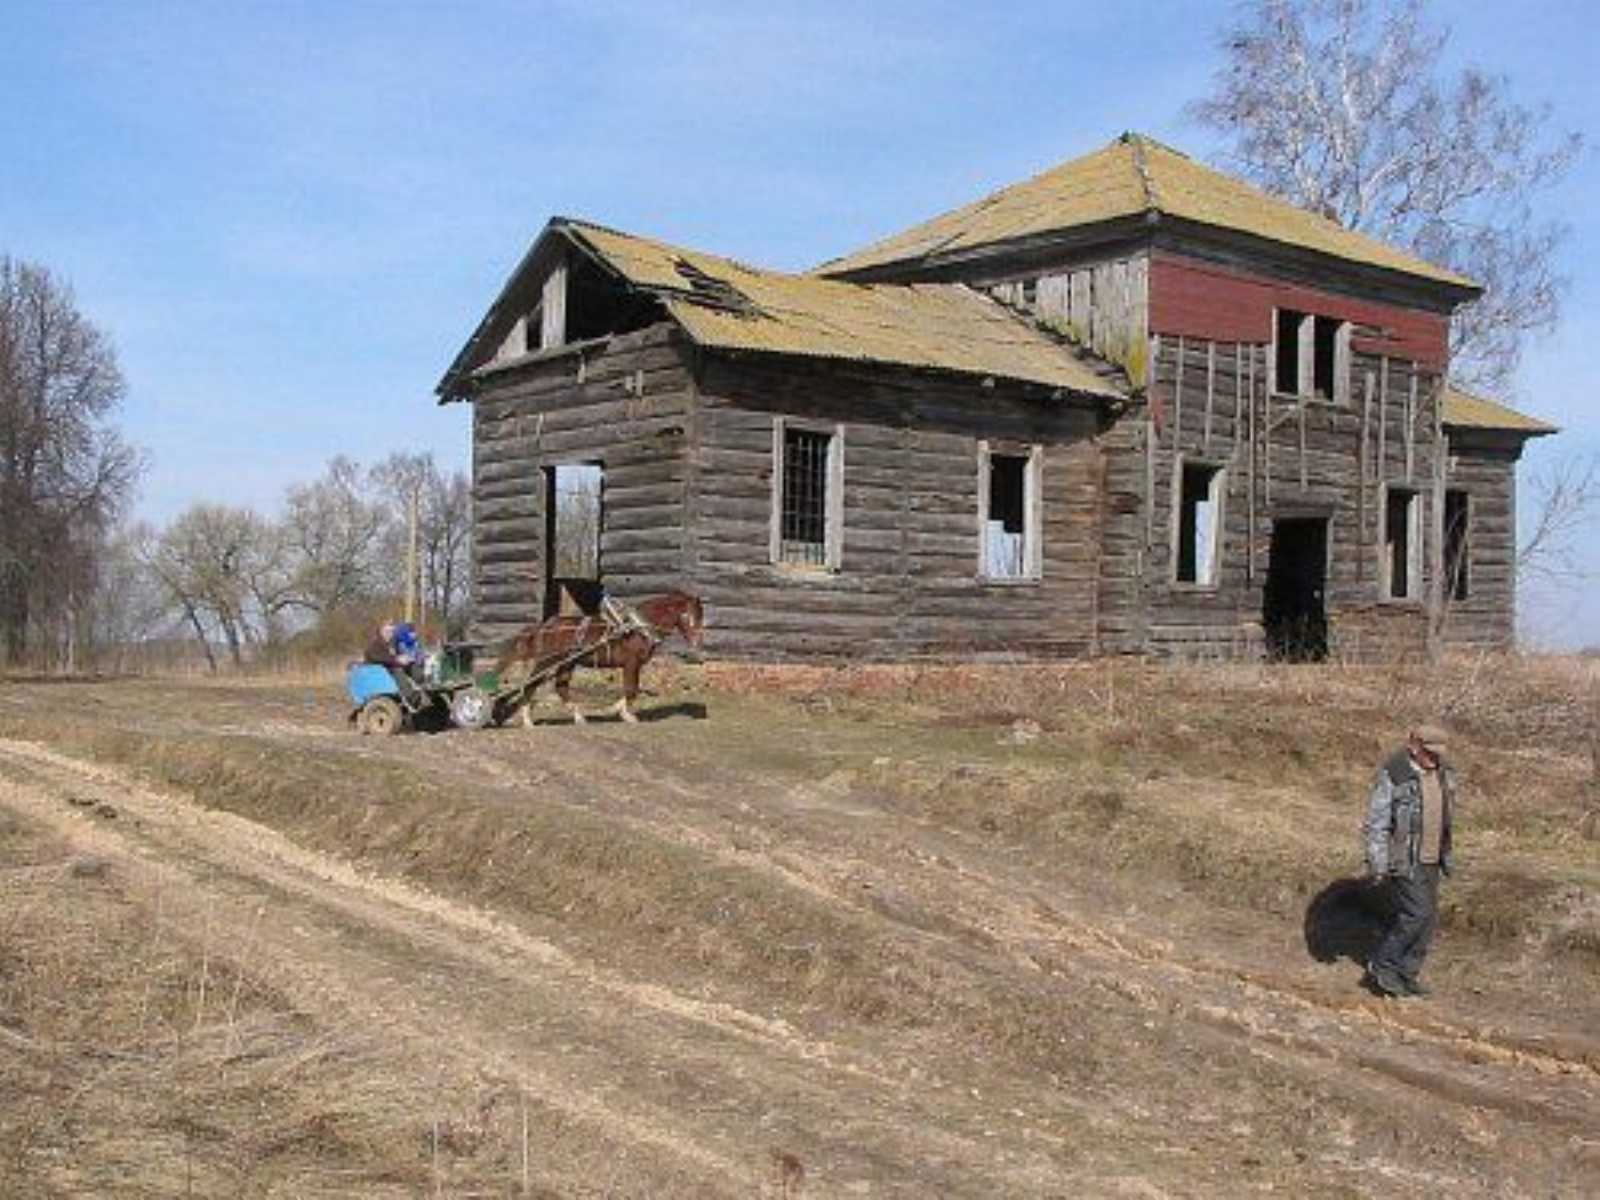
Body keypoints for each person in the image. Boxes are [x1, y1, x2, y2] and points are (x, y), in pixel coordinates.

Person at [1362, 724, 1456, 998]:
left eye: (1437, 753)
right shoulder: (1395, 774)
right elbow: (1376, 823)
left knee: (1427, 921)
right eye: (1429, 752)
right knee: (1416, 915)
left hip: (1433, 858)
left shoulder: (1444, 772)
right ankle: (1383, 965)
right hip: (1405, 858)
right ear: (1413, 745)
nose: (1433, 758)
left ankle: (1406, 973)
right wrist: (1378, 863)